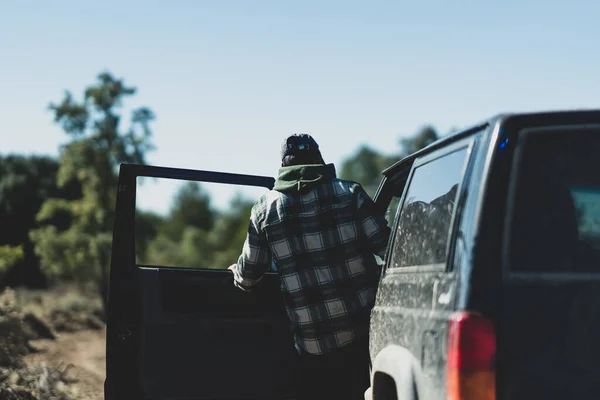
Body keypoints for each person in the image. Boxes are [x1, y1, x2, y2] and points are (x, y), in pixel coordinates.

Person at [228, 133, 391, 400]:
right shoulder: (350, 193)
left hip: (314, 347)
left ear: (283, 166)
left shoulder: (264, 210)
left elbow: (248, 277)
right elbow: (389, 250)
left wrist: (236, 271)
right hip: (365, 337)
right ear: (319, 159)